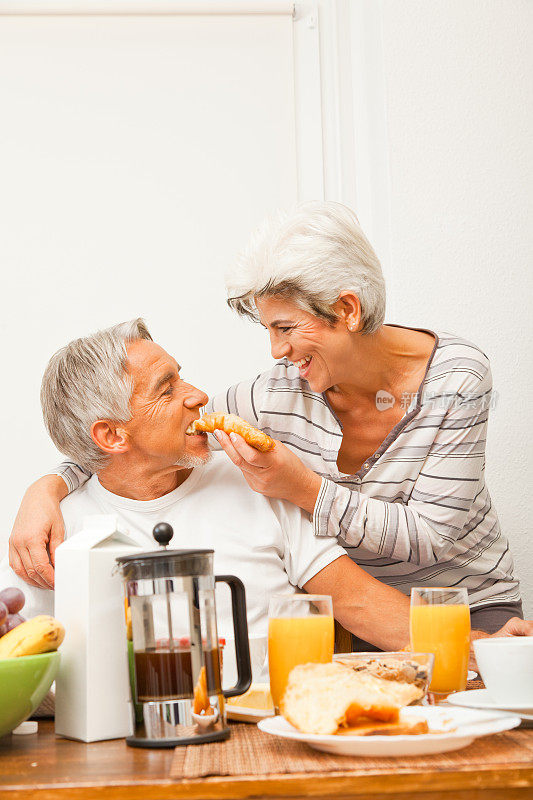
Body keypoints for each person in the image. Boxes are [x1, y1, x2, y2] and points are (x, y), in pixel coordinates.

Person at [8, 204, 531, 636]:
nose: (276, 351)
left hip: (469, 600)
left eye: (285, 327)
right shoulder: (277, 396)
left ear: (346, 309)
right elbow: (144, 442)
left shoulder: (456, 377)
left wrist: (304, 489)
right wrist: (48, 488)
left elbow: (432, 538)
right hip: (372, 617)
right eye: (268, 329)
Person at [0, 319, 413, 661]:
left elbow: (357, 603)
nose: (198, 396)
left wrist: (474, 650)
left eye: (182, 377)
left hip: (276, 726)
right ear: (111, 435)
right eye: (167, 389)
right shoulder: (55, 536)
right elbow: (31, 671)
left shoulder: (252, 478)